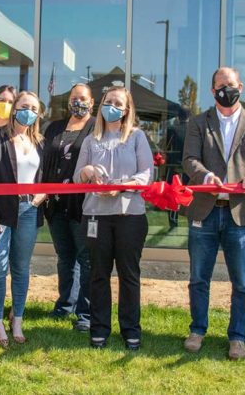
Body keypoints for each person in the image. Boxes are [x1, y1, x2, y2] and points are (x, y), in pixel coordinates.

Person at [181, 67, 245, 360]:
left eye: (230, 85)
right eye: (220, 86)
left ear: (240, 87)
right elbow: (189, 160)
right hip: (204, 210)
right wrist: (205, 176)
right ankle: (197, 329)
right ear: (212, 91)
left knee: (242, 281)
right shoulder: (198, 123)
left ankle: (237, 336)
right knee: (198, 277)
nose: (225, 90)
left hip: (240, 214)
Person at [73, 86, 153, 350]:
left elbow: (146, 175)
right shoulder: (90, 141)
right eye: (108, 102)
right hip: (96, 215)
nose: (112, 107)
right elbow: (77, 178)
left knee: (129, 275)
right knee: (98, 274)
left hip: (129, 215)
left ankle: (131, 329)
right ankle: (99, 329)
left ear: (127, 109)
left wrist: (120, 186)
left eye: (118, 103)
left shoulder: (137, 137)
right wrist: (86, 170)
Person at [0, 91, 45, 348]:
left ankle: (17, 318)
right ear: (14, 108)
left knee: (21, 269)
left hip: (29, 211)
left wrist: (41, 195)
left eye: (33, 108)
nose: (28, 111)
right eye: (23, 106)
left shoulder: (39, 141)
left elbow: (42, 176)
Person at [42, 83, 95, 331]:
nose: (78, 102)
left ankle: (86, 314)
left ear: (92, 102)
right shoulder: (54, 127)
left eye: (83, 98)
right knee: (65, 258)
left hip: (83, 206)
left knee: (86, 259)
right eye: (74, 98)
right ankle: (65, 305)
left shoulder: (96, 127)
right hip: (56, 205)